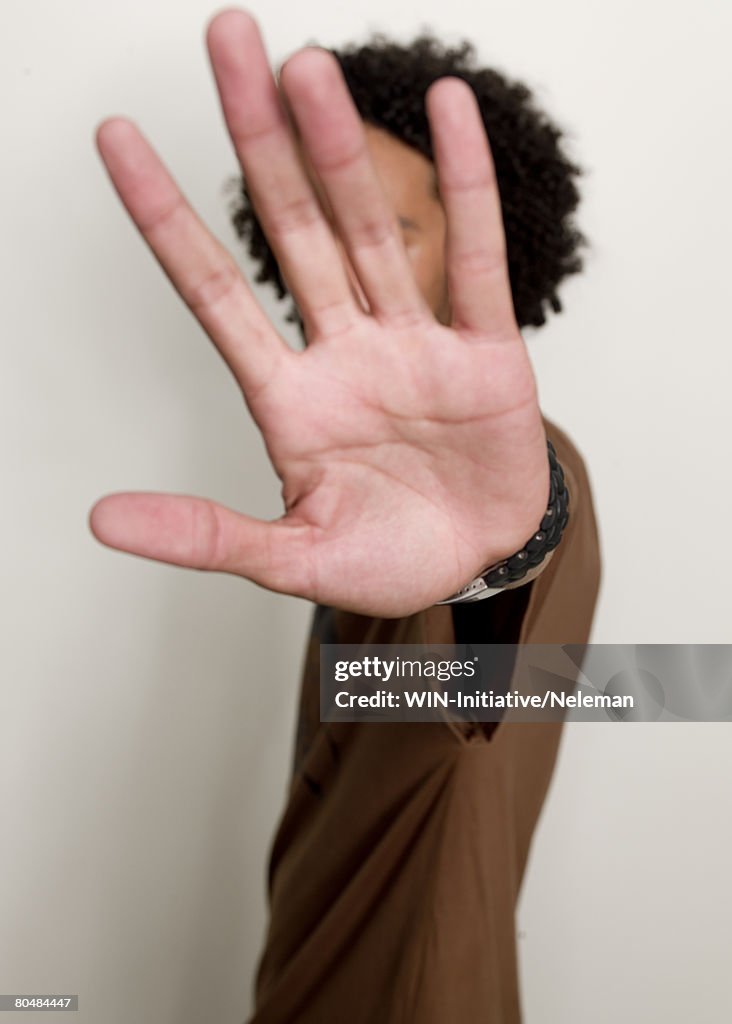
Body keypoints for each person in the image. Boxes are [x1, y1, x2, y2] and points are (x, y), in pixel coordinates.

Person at [89, 8, 602, 1022]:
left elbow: (488, 665)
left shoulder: (527, 479)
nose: (351, 260)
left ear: (482, 247)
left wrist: (496, 558)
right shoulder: (363, 507)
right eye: (311, 225)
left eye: (391, 228)